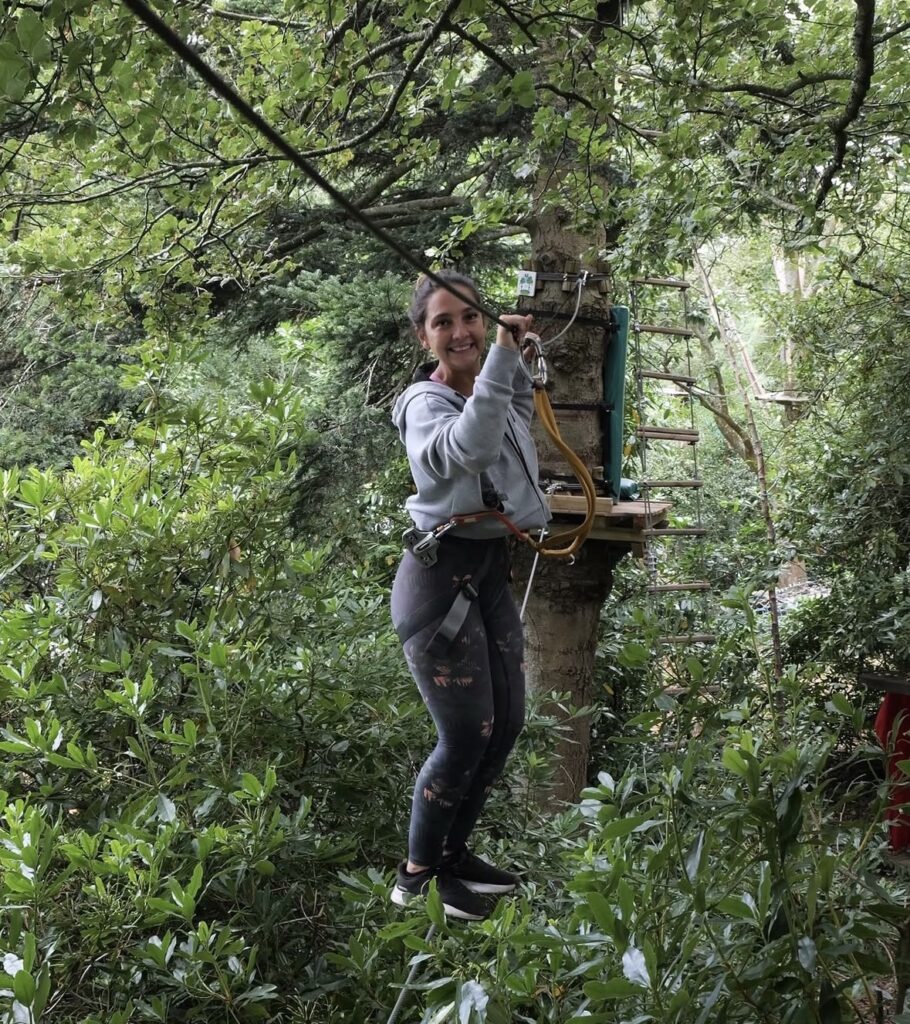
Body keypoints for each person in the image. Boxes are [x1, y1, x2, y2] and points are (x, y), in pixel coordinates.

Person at [389, 270, 551, 920]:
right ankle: (417, 875)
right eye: (443, 322)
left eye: (469, 318)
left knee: (505, 724)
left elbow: (515, 436)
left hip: (485, 567)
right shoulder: (421, 407)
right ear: (424, 337)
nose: (460, 332)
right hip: (438, 582)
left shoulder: (494, 381)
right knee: (464, 734)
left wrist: (520, 360)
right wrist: (505, 360)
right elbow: (472, 447)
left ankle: (453, 857)